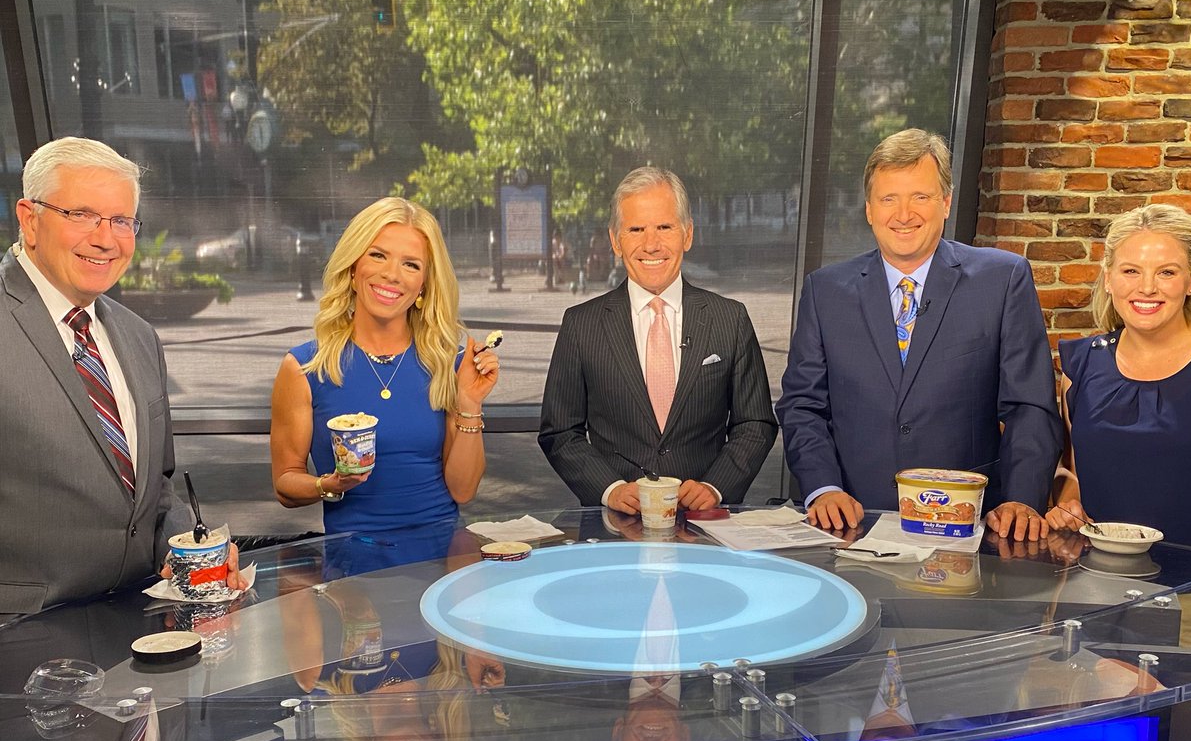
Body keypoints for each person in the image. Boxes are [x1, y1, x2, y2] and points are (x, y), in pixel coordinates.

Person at [0, 136, 242, 741]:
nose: (105, 236)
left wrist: (198, 555)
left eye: (121, 220)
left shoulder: (132, 336)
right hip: (16, 647)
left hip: (139, 641)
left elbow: (164, 481)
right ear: (29, 217)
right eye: (83, 214)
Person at [776, 128, 1060, 540]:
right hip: (853, 521)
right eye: (888, 198)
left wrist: (1020, 499)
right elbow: (803, 405)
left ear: (945, 203)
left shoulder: (1002, 279)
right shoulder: (825, 290)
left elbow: (1030, 406)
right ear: (869, 209)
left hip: (969, 521)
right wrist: (824, 488)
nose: (903, 214)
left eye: (920, 197)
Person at [539, 166, 776, 513]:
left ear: (688, 234)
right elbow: (560, 432)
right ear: (615, 241)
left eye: (664, 227)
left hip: (704, 526)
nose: (651, 244)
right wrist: (610, 490)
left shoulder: (731, 318)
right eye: (636, 229)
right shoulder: (581, 325)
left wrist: (715, 486)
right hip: (616, 528)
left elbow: (754, 423)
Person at [270, 197, 499, 533]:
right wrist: (330, 485)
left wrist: (469, 403)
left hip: (440, 557)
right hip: (354, 567)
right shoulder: (305, 368)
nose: (392, 275)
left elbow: (463, 491)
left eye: (411, 264)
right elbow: (285, 485)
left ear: (423, 285)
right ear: (353, 268)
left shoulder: (449, 364)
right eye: (378, 255)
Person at [1047, 204, 1191, 546]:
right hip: (1098, 579)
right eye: (1131, 271)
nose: (1147, 288)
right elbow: (1072, 471)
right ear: (1108, 279)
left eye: (1167, 272)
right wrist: (1067, 504)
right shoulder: (1080, 366)